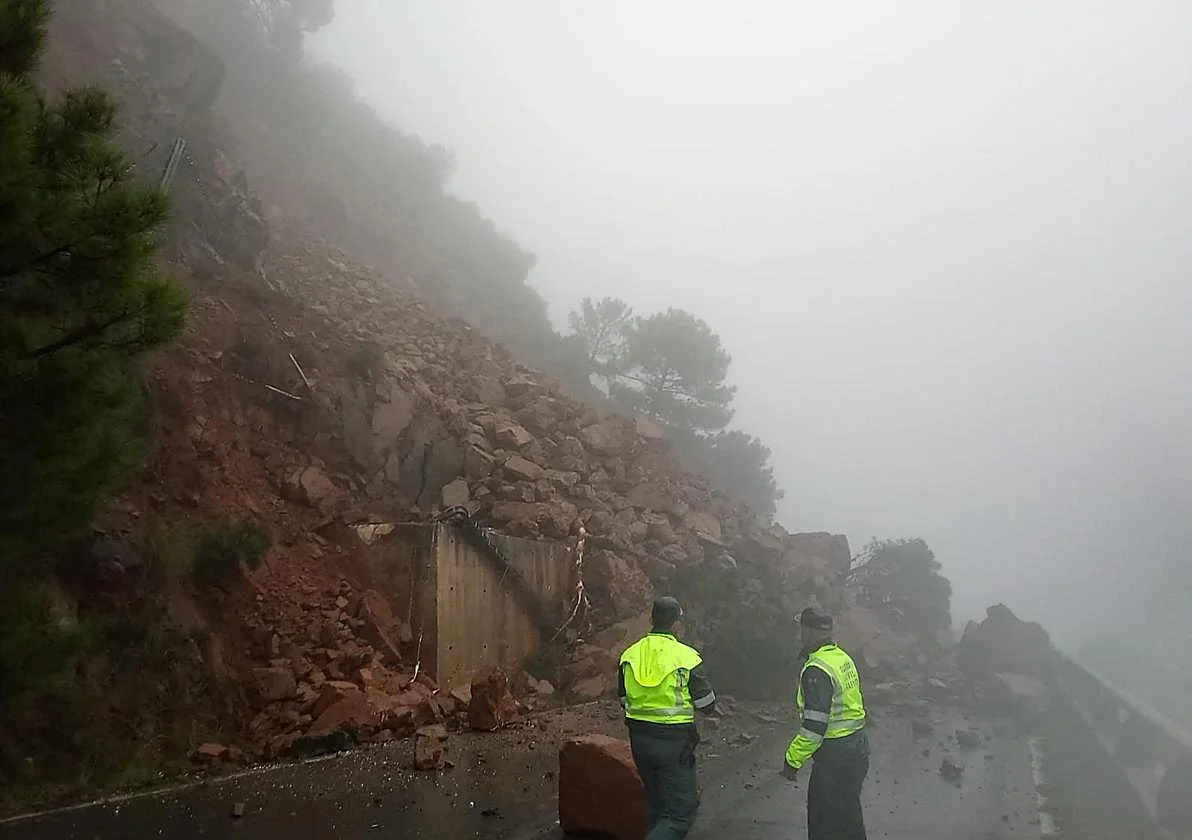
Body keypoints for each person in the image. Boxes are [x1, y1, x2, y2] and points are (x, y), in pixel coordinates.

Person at [618, 595, 719, 840]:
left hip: (639, 740)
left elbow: (623, 699)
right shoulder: (687, 657)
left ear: (652, 619)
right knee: (680, 815)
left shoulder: (629, 655)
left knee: (657, 806)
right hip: (674, 743)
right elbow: (706, 704)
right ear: (676, 623)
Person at [782, 606, 869, 840]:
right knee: (849, 816)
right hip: (858, 747)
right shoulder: (841, 657)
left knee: (824, 823)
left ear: (808, 632)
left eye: (801, 628)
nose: (798, 634)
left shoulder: (817, 669)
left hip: (834, 756)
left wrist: (792, 759)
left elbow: (814, 726)